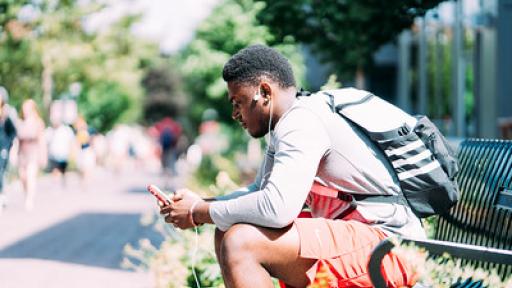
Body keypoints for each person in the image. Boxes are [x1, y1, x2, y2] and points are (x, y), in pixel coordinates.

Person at [160, 45, 425, 287]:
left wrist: (198, 211)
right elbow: (258, 191)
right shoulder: (292, 121)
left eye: (238, 102)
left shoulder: (301, 123)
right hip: (369, 243)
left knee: (241, 243)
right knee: (228, 229)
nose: (235, 114)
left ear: (264, 92)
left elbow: (277, 209)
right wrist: (202, 202)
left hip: (392, 250)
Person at [17, 99, 46, 210]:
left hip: (33, 152)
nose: (25, 111)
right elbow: (17, 140)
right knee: (23, 177)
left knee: (30, 176)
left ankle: (29, 199)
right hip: (22, 152)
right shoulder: (20, 122)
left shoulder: (38, 122)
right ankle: (26, 194)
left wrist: (43, 155)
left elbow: (41, 140)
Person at [0, 86, 17, 212]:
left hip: (3, 148)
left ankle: (2, 194)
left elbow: (13, 132)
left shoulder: (7, 113)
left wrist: (8, 145)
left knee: (1, 171)